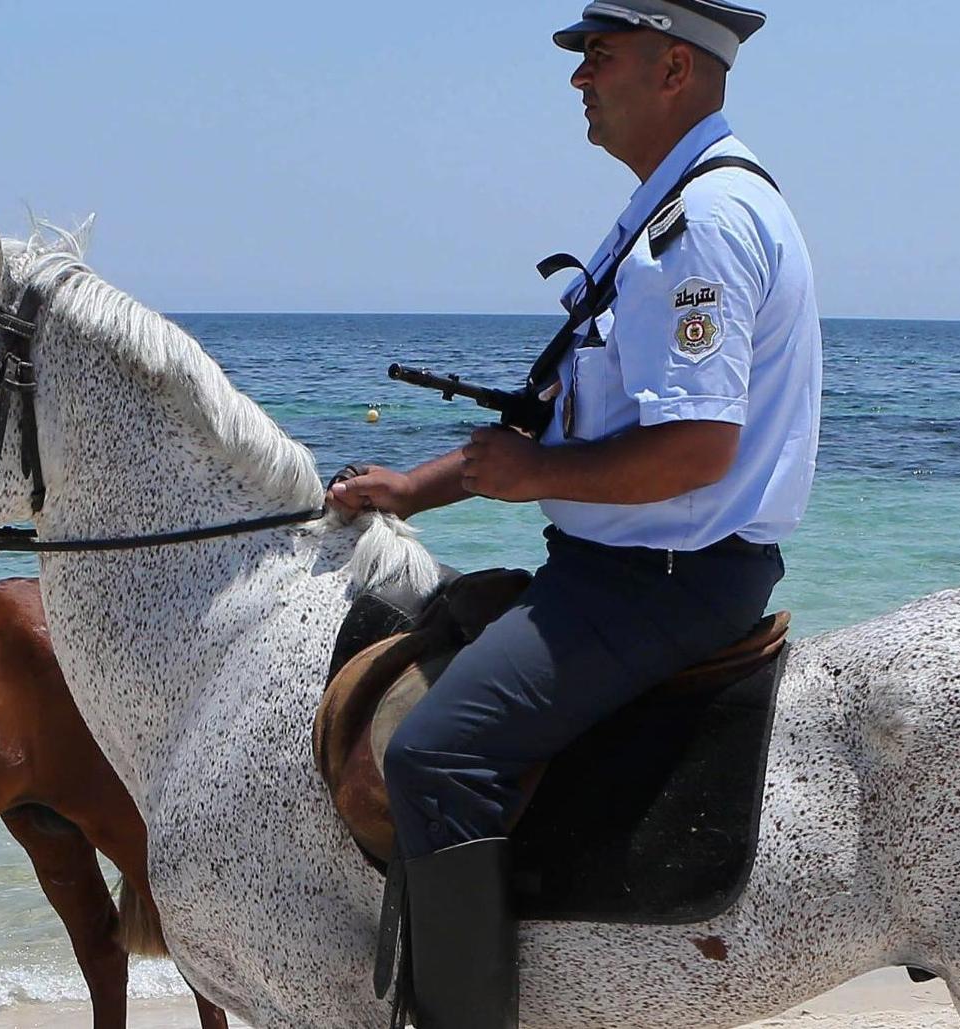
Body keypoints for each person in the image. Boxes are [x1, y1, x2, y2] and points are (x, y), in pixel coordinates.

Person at [322, 3, 815, 1023]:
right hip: (626, 568)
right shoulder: (660, 209)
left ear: (673, 66)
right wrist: (416, 488)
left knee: (432, 752)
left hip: (660, 584)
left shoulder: (701, 228)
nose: (577, 78)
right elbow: (558, 423)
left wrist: (523, 478)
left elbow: (692, 450)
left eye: (599, 54)